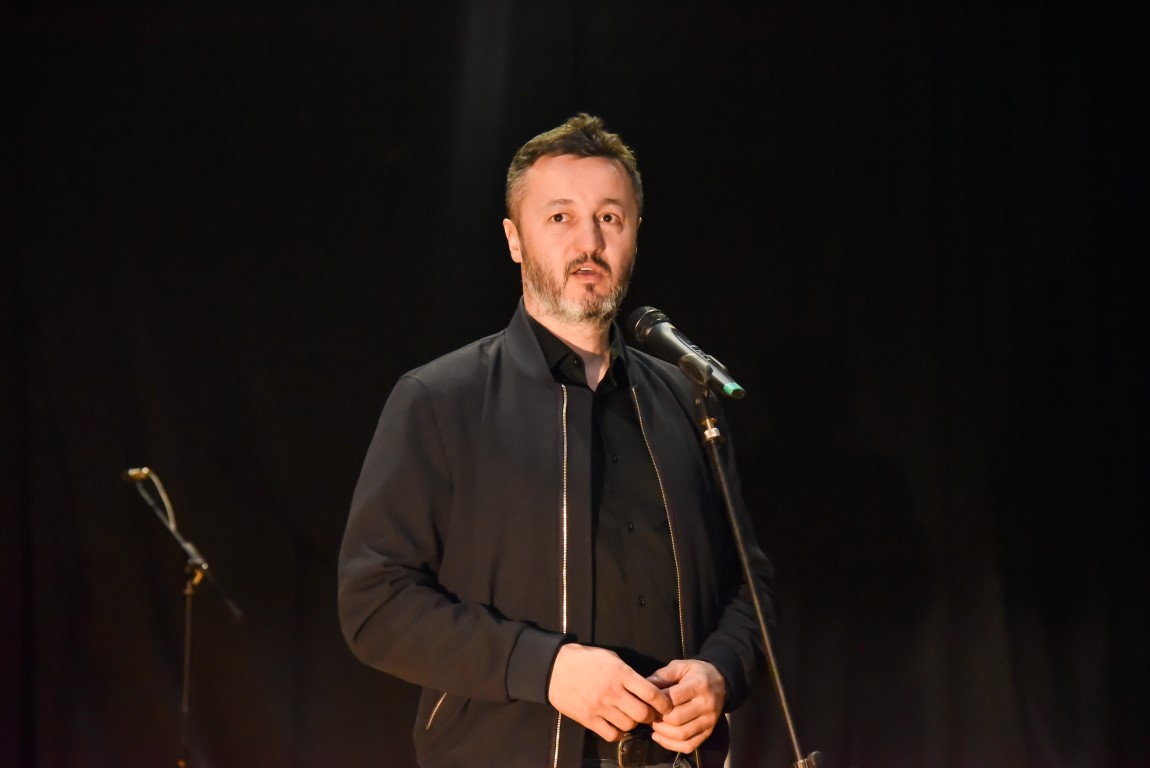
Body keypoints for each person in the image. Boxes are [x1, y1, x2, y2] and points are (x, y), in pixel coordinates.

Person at [338, 113, 776, 768]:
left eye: (610, 218)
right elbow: (375, 602)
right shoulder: (440, 399)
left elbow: (749, 584)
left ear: (634, 234)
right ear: (515, 240)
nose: (589, 242)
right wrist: (546, 668)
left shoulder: (686, 400)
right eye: (561, 217)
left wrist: (721, 671)